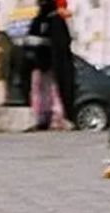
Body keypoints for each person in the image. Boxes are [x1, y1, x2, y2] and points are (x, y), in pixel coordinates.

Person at [25, 0, 76, 130]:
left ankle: (54, 117)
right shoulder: (44, 21)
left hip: (49, 65)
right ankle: (44, 117)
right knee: (44, 90)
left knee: (51, 91)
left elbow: (61, 45)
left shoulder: (52, 20)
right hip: (44, 64)